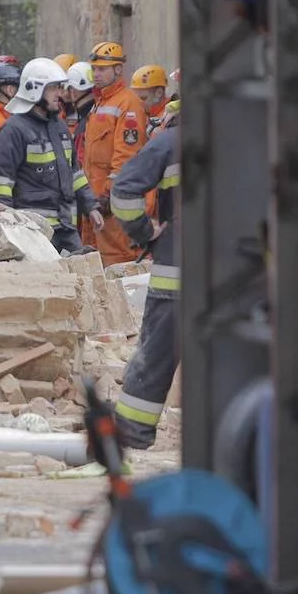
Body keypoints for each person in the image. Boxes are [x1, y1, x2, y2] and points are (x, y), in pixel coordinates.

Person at [111, 105, 181, 450]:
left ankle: (132, 435)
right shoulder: (258, 140)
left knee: (155, 358)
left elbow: (123, 193)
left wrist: (144, 233)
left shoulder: (171, 142)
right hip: (242, 277)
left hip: (177, 276)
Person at [0, 58, 102, 253]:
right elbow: (0, 184)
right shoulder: (13, 130)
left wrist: (90, 205)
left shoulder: (59, 127)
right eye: (54, 88)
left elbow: (75, 173)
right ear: (34, 90)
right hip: (31, 232)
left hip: (65, 228)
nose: (60, 93)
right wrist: (6, 229)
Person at [80, 42, 151, 265]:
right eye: (95, 69)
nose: (97, 74)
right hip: (95, 203)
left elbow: (126, 155)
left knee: (117, 263)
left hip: (111, 203)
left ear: (118, 70)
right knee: (95, 263)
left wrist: (109, 195)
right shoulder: (99, 103)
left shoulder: (128, 104)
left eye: (102, 69)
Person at [132, 64, 170, 133]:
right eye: (136, 99)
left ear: (159, 92)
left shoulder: (169, 118)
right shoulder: (147, 115)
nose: (139, 103)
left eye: (143, 98)